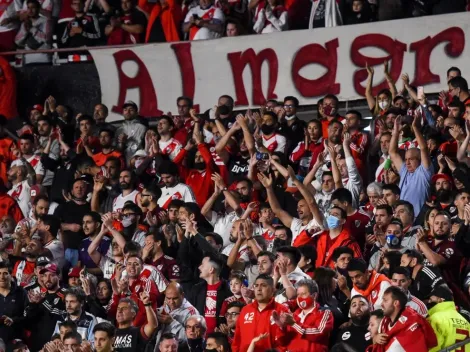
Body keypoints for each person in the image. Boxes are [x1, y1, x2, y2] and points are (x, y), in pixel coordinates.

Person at [389, 115, 434, 217]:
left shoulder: (424, 172)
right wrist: (396, 132)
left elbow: (423, 148)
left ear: (419, 160)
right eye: (406, 160)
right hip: (403, 221)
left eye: (411, 159)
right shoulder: (405, 171)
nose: (407, 163)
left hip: (419, 221)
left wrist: (415, 128)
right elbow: (392, 152)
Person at [232, 274, 289, 352]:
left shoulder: (281, 310)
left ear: (272, 290)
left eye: (263, 285)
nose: (259, 289)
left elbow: (287, 340)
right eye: (256, 285)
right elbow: (237, 339)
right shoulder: (245, 310)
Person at [378, 286, 437, 351]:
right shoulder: (385, 322)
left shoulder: (412, 326)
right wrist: (376, 338)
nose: (381, 304)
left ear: (396, 303)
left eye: (385, 300)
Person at [280, 279, 333, 352]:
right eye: (298, 294)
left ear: (314, 296)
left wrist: (294, 324)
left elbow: (318, 333)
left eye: (303, 294)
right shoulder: (294, 314)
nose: (300, 297)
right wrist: (281, 326)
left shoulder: (324, 313)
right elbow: (283, 340)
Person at [24, 263, 67, 352]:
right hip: (36, 344)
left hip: (53, 346)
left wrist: (42, 302)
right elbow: (28, 322)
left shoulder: (65, 295)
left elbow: (60, 315)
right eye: (45, 275)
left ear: (59, 277)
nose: (47, 279)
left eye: (51, 275)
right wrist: (32, 305)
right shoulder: (40, 296)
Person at [187, 255, 231, 335]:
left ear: (211, 269)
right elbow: (189, 312)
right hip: (199, 336)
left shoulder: (228, 290)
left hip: (219, 338)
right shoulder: (196, 289)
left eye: (202, 265)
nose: (199, 267)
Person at [426, 285, 470, 352]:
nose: (429, 302)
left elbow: (433, 347)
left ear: (441, 300)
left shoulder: (434, 319)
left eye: (431, 299)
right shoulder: (463, 319)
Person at [14, 0, 51, 65]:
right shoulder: (25, 23)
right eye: (28, 8)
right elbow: (17, 41)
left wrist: (32, 28)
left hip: (43, 59)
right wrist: (25, 31)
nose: (30, 10)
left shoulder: (46, 21)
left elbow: (46, 38)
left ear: (38, 9)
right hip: (28, 60)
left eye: (33, 7)